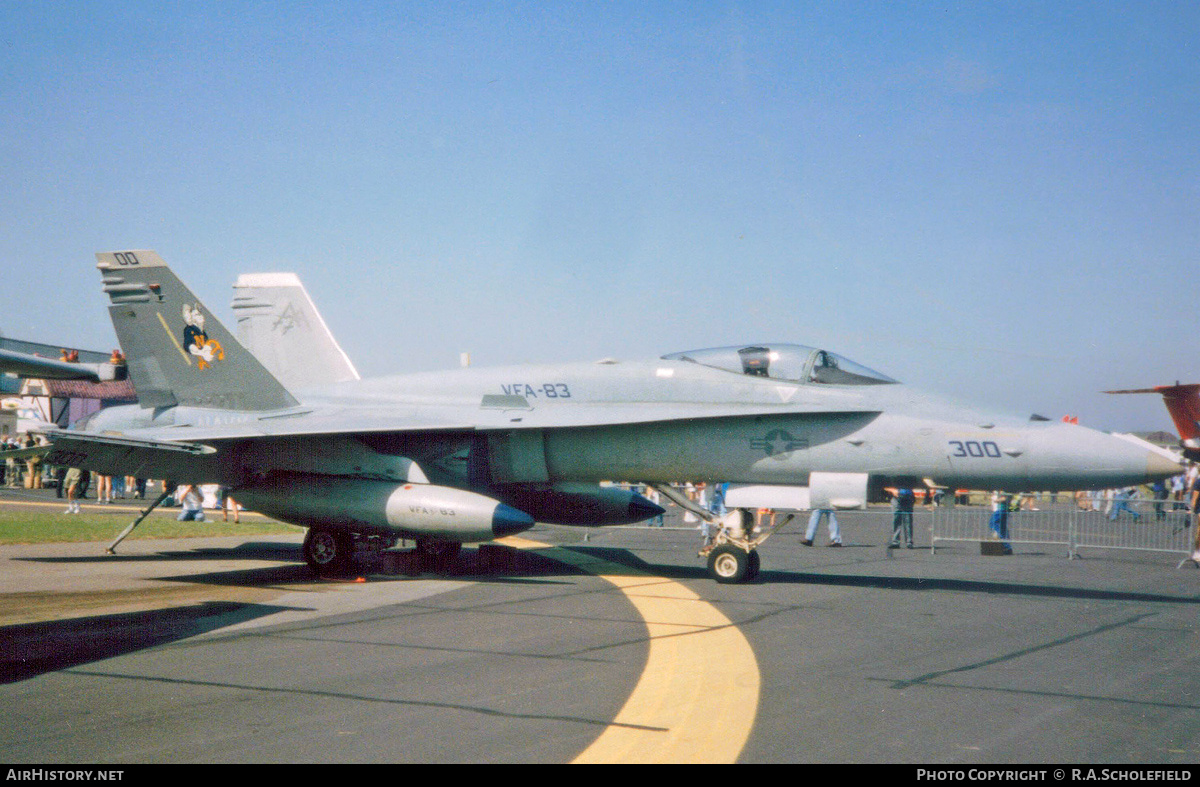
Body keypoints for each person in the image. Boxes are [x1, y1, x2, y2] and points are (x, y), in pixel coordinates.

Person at [989, 490, 1013, 555]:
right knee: (1002, 527)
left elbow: (1006, 497)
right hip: (1003, 509)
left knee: (993, 524)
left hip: (1001, 509)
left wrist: (997, 500)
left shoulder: (1005, 487)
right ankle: (1007, 547)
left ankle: (1004, 544)